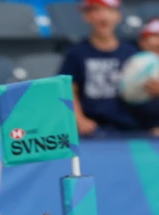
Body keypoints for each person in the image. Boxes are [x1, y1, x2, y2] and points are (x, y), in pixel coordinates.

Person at [58, 0, 139, 136]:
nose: (103, 16)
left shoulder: (130, 53)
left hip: (127, 127)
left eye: (109, 10)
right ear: (86, 16)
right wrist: (80, 120)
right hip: (90, 130)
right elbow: (68, 90)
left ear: (118, 16)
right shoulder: (76, 53)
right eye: (96, 10)